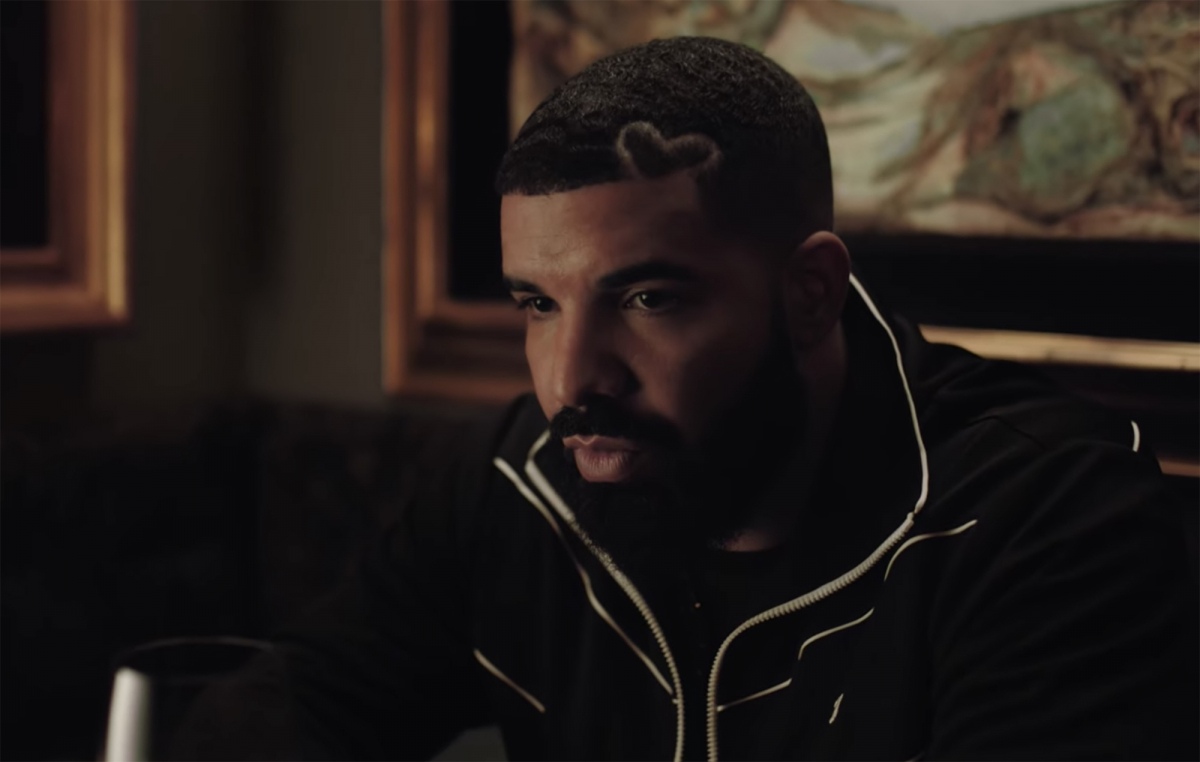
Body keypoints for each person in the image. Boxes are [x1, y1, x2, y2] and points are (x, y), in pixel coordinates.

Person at [174, 36, 1198, 761]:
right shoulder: (522, 484)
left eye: (648, 299)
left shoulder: (1043, 522)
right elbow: (295, 702)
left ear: (810, 293)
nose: (572, 379)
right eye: (538, 303)